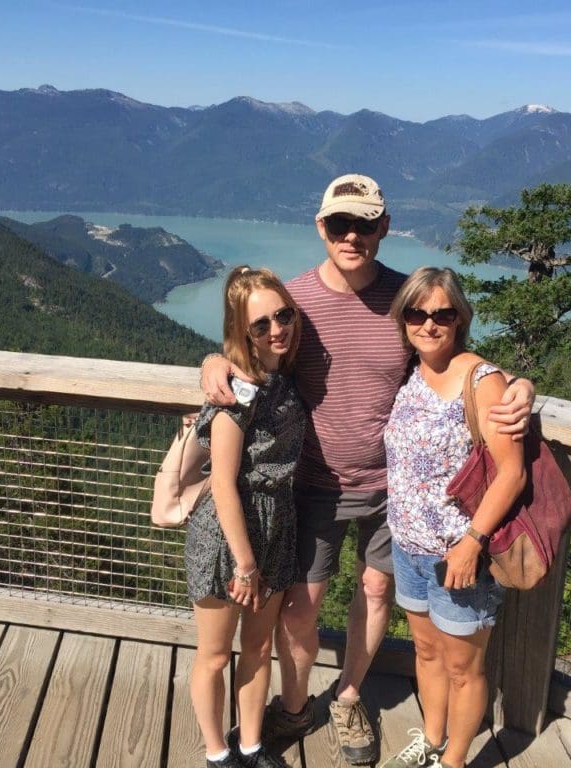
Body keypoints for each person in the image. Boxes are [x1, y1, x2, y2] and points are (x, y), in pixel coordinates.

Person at [201, 174, 535, 765]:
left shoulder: (408, 300)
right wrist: (210, 363)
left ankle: (349, 695)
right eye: (339, 224)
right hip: (310, 484)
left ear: (384, 226)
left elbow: (452, 353)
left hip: (394, 489)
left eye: (364, 224)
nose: (351, 235)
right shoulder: (295, 303)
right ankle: (297, 703)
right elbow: (251, 352)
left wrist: (518, 384)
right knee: (302, 606)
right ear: (320, 227)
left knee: (377, 590)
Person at [380, 267, 526, 768]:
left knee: (464, 667)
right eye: (416, 313)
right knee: (426, 653)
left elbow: (512, 473)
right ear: (403, 318)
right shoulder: (411, 370)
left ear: (460, 317)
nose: (428, 323)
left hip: (460, 554)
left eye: (441, 313)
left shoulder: (481, 380)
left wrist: (471, 542)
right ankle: (433, 738)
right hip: (408, 547)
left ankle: (455, 760)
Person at [186, 266, 306, 768]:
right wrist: (244, 564)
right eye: (261, 325)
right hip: (229, 537)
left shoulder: (281, 374)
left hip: (277, 523)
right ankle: (218, 754)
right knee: (215, 655)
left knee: (257, 649)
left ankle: (252, 746)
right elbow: (222, 484)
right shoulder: (235, 395)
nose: (277, 329)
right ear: (241, 332)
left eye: (284, 315)